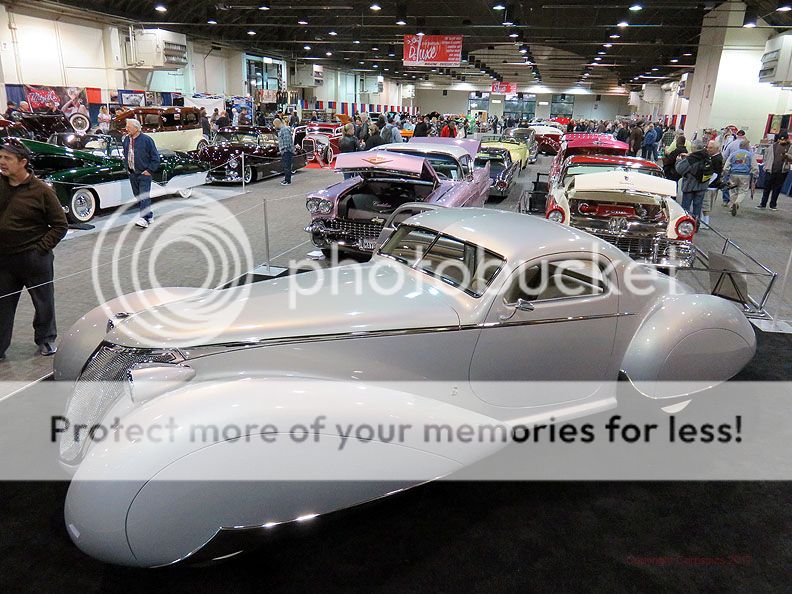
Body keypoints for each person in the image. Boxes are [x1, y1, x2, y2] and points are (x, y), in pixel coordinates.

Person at [0, 139, 68, 359]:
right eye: (0, 157)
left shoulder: (41, 191)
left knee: (43, 302)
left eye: (7, 158)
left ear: (23, 162)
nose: (2, 162)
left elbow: (60, 225)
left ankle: (46, 340)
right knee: (3, 305)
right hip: (5, 260)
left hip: (34, 258)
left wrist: (40, 250)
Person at [122, 118, 160, 229]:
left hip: (144, 174)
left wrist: (149, 170)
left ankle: (143, 219)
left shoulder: (147, 140)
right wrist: (127, 168)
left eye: (128, 126)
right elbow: (126, 155)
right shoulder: (126, 140)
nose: (126, 128)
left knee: (144, 196)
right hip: (132, 173)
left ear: (136, 128)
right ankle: (149, 215)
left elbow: (155, 158)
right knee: (138, 196)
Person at [675, 139, 712, 220]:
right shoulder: (707, 156)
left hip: (690, 185)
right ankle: (696, 223)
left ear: (693, 148)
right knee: (697, 207)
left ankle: (686, 223)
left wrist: (678, 161)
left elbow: (679, 169)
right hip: (702, 185)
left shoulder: (691, 159)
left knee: (686, 207)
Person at [722, 138, 759, 217]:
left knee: (733, 191)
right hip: (745, 175)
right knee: (743, 191)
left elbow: (726, 165)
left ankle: (732, 206)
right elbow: (755, 167)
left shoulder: (734, 154)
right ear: (747, 146)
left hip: (733, 174)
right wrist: (755, 175)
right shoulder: (750, 155)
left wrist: (726, 172)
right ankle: (737, 203)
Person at [758, 131, 792, 210]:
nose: (782, 141)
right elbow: (766, 156)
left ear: (787, 139)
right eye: (780, 139)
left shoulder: (790, 146)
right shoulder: (772, 146)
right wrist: (765, 165)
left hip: (782, 171)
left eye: (784, 140)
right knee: (767, 188)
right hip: (770, 170)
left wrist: (786, 155)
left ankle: (773, 204)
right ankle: (763, 204)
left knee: (777, 189)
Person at [701, 140, 723, 225]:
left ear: (717, 148)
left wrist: (706, 183)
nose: (708, 149)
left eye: (710, 148)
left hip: (710, 186)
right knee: (706, 206)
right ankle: (704, 221)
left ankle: (705, 223)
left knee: (706, 205)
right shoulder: (715, 157)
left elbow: (715, 174)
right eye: (707, 147)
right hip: (712, 185)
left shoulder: (716, 159)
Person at [273, 118, 294, 186]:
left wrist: (284, 149)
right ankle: (286, 179)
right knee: (286, 166)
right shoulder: (282, 130)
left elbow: (287, 141)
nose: (275, 127)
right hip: (285, 151)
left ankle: (287, 180)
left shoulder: (284, 130)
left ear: (277, 123)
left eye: (275, 125)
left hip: (287, 151)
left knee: (287, 166)